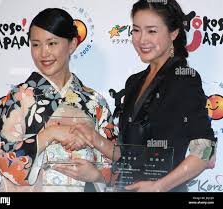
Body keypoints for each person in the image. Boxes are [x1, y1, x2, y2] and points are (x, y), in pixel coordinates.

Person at [56, 0, 217, 192]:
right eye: (136, 30)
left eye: (152, 31)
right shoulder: (134, 82)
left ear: (173, 33)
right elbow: (127, 153)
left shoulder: (183, 79)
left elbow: (205, 150)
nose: (142, 40)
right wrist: (93, 137)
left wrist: (159, 186)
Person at [0, 8, 117, 192]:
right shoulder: (18, 98)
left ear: (72, 45)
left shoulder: (94, 101)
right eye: (36, 44)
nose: (43, 53)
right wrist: (49, 135)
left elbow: (116, 159)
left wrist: (97, 175)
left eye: (52, 43)